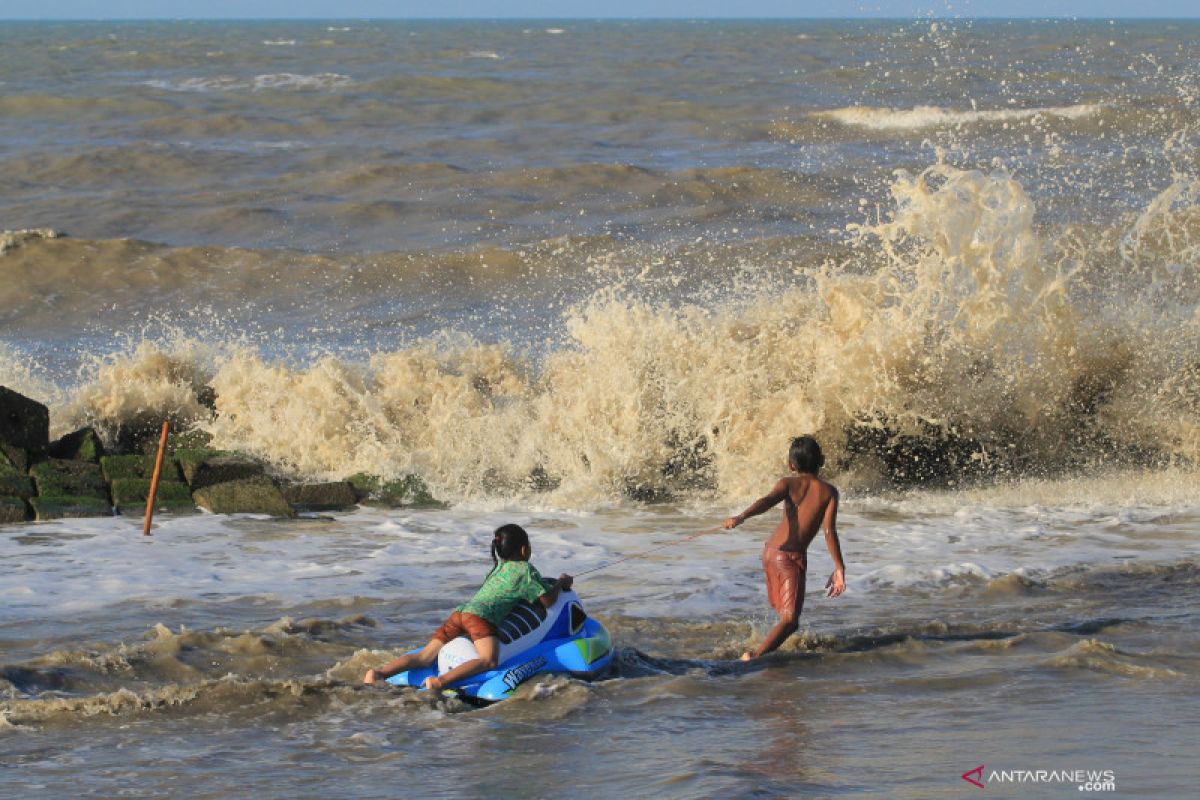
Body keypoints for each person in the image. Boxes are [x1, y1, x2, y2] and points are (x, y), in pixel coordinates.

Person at [363, 523, 573, 690]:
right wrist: (560, 583)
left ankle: (378, 674)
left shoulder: (498, 567)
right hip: (481, 619)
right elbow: (547, 601)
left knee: (424, 657)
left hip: (461, 613)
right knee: (488, 660)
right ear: (524, 549)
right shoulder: (525, 570)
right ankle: (440, 682)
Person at [724, 436, 845, 660]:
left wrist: (740, 517)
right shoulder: (829, 493)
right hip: (790, 558)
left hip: (770, 552)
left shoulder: (787, 483)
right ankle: (755, 657)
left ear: (791, 465)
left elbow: (766, 501)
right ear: (823, 461)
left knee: (782, 612)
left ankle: (769, 646)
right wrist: (839, 567)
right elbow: (829, 531)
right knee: (790, 621)